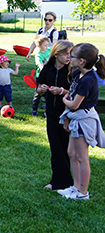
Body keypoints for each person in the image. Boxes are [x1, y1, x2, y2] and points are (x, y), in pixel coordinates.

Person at [56, 43, 105, 200]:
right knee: (71, 152)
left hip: (84, 120)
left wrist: (64, 99)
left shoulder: (88, 79)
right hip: (75, 118)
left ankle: (83, 193)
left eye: (73, 55)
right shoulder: (78, 74)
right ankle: (75, 187)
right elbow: (72, 93)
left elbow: (74, 103)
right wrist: (67, 118)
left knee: (81, 156)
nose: (69, 57)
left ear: (82, 61)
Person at [36, 40, 74, 191]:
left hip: (67, 114)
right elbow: (38, 88)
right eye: (66, 54)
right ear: (57, 54)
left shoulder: (72, 71)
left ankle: (66, 182)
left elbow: (77, 93)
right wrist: (42, 89)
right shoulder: (48, 68)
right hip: (51, 114)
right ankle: (57, 180)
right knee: (55, 148)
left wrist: (62, 91)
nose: (69, 57)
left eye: (71, 54)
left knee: (65, 148)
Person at [31, 35, 51, 116]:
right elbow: (40, 65)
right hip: (41, 76)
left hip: (49, 76)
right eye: (45, 45)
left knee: (48, 93)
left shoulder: (49, 51)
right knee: (38, 93)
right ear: (39, 46)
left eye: (47, 45)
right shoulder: (38, 55)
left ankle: (47, 110)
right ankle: (34, 108)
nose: (47, 46)